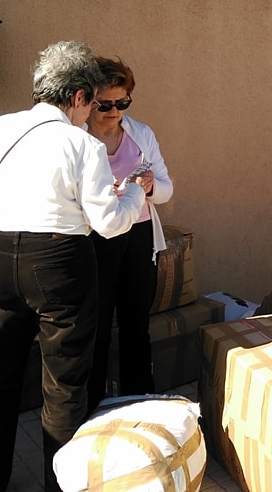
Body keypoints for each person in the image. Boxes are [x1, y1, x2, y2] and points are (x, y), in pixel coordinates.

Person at [0, 40, 150, 492]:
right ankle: (62, 485)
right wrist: (132, 193)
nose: (90, 113)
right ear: (79, 97)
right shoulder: (82, 143)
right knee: (64, 386)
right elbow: (108, 223)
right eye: (91, 103)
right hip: (58, 261)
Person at [85, 56, 173, 412]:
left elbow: (166, 189)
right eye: (105, 104)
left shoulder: (140, 134)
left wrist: (149, 187)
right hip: (95, 239)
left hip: (138, 237)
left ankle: (140, 402)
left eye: (122, 103)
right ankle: (91, 407)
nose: (114, 112)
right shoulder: (77, 138)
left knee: (136, 325)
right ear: (87, 100)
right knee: (95, 328)